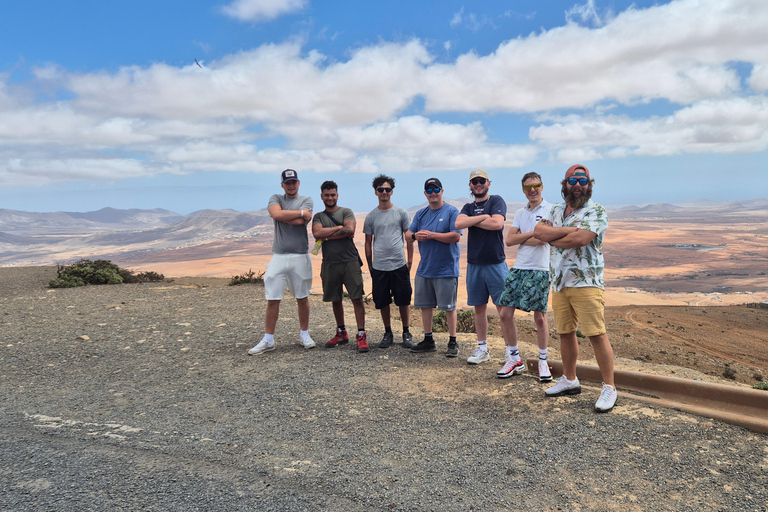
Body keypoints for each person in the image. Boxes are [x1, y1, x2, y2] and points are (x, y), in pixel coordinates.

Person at [533, 164, 617, 412]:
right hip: (559, 280)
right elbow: (539, 232)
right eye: (573, 180)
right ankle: (570, 380)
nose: (578, 185)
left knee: (596, 334)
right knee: (566, 332)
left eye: (582, 181)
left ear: (589, 184)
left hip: (586, 282)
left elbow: (580, 239)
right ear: (564, 184)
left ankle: (609, 388)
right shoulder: (557, 209)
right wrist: (567, 230)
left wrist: (555, 235)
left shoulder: (596, 211)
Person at [249, 169, 316, 355]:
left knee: (302, 297)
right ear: (282, 185)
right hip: (279, 255)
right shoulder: (275, 198)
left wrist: (297, 215)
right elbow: (276, 215)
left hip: (300, 255)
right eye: (288, 183)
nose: (291, 185)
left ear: (299, 183)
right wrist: (299, 213)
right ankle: (268, 339)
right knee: (273, 298)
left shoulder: (307, 200)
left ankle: (304, 334)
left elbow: (303, 221)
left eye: (294, 182)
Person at [497, 172, 553, 381]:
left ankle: (543, 361)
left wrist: (525, 236)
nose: (532, 190)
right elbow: (510, 240)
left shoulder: (551, 210)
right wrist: (533, 234)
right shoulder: (521, 212)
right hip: (519, 267)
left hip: (540, 269)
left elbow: (543, 240)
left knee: (539, 318)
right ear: (523, 190)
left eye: (536, 185)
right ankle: (514, 359)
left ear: (542, 186)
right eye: (528, 187)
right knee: (504, 314)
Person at [454, 169, 508, 364]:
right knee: (479, 308)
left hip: (496, 262)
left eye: (482, 180)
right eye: (474, 181)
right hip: (475, 263)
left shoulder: (496, 200)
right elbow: (459, 223)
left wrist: (473, 221)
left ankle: (511, 351)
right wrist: (484, 218)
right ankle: (482, 348)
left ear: (488, 183)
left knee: (504, 310)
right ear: (470, 185)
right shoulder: (468, 206)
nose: (478, 184)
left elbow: (497, 225)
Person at [405, 178, 462, 356]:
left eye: (436, 189)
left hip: (446, 268)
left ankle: (453, 342)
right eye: (429, 191)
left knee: (449, 307)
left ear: (442, 191)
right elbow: (407, 234)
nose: (433, 193)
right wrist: (415, 236)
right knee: (425, 305)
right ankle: (428, 339)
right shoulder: (421, 214)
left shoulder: (452, 211)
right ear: (425, 194)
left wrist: (431, 235)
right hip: (425, 268)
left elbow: (455, 236)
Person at [312, 181, 369, 353]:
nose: (330, 198)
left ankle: (361, 334)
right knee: (335, 299)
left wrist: (328, 235)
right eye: (327, 195)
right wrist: (338, 228)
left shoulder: (346, 211)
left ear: (337, 195)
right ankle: (341, 332)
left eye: (333, 195)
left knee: (357, 298)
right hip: (330, 262)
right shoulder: (318, 216)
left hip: (349, 261)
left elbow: (350, 230)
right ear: (322, 196)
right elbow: (317, 234)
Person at [363, 174, 414, 349]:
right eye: (381, 190)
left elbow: (408, 238)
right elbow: (368, 242)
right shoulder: (371, 216)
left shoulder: (401, 213)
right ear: (375, 192)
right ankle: (388, 332)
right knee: (382, 301)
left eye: (387, 189)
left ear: (392, 192)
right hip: (380, 266)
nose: (384, 192)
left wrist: (410, 261)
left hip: (399, 264)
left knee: (403, 300)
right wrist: (370, 265)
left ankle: (406, 332)